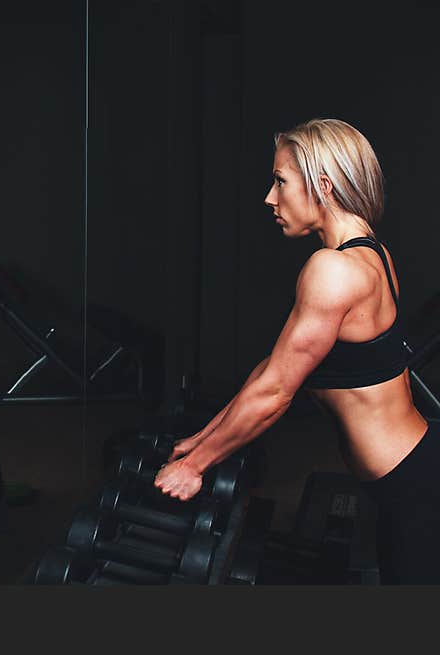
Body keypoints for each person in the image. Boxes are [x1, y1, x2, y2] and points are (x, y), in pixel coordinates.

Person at [153, 118, 440, 584]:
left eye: (281, 181)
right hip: (411, 471)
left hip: (413, 485)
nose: (271, 197)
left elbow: (277, 393)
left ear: (322, 186)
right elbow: (273, 369)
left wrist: (194, 469)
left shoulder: (333, 270)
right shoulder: (373, 254)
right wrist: (204, 440)